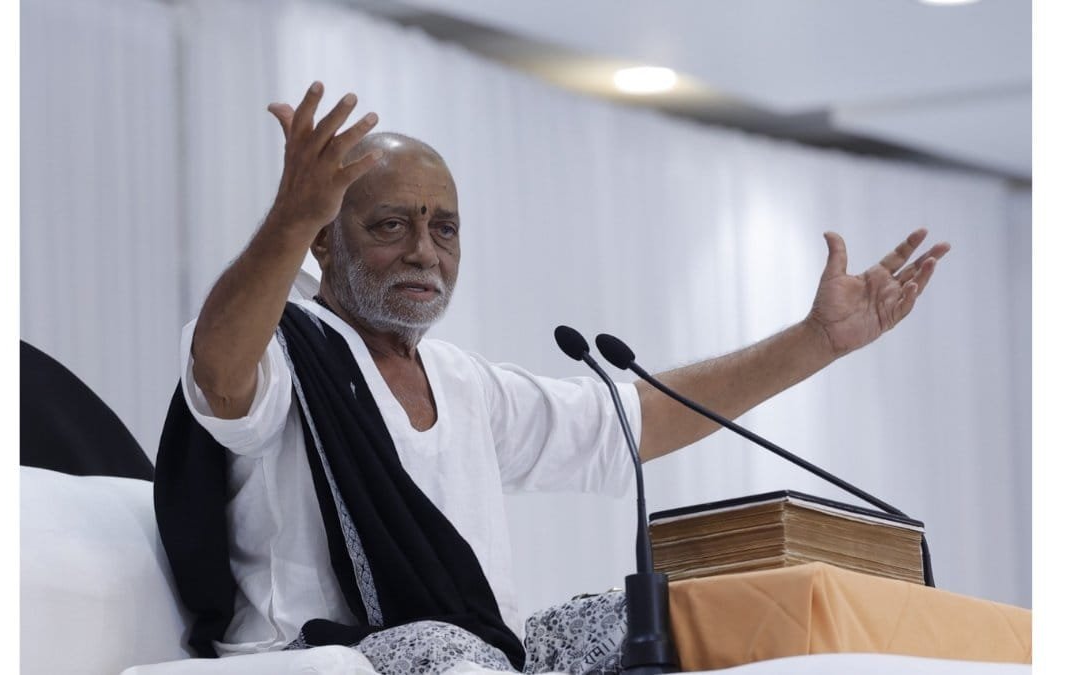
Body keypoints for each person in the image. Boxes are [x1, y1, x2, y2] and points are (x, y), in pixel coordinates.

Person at [155, 82, 950, 675]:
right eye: (391, 225)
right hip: (327, 656)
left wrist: (817, 341)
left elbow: (632, 421)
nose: (424, 251)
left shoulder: (464, 383)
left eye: (444, 228)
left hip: (481, 656)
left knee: (665, 621)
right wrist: (290, 217)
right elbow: (218, 374)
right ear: (325, 243)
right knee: (444, 651)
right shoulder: (284, 348)